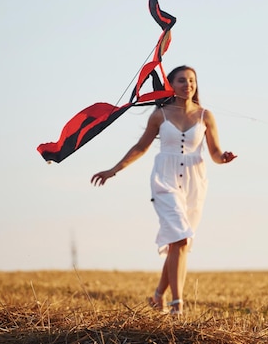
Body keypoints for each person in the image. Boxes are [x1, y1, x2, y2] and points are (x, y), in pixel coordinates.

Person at [91, 65, 237, 315]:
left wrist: (224, 158)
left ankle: (158, 295)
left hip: (195, 181)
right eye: (182, 80)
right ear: (171, 85)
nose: (188, 85)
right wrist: (113, 170)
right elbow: (141, 147)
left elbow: (214, 153)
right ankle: (176, 305)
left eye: (192, 80)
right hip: (165, 179)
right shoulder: (159, 115)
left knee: (179, 242)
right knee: (179, 237)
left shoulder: (205, 116)